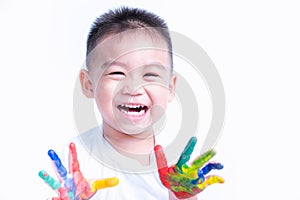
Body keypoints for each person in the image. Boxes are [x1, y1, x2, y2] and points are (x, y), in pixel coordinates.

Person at [39, 6, 224, 200]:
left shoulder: (178, 163)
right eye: (117, 73)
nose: (133, 88)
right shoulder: (71, 166)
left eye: (150, 74)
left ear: (170, 87)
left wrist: (183, 197)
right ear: (88, 84)